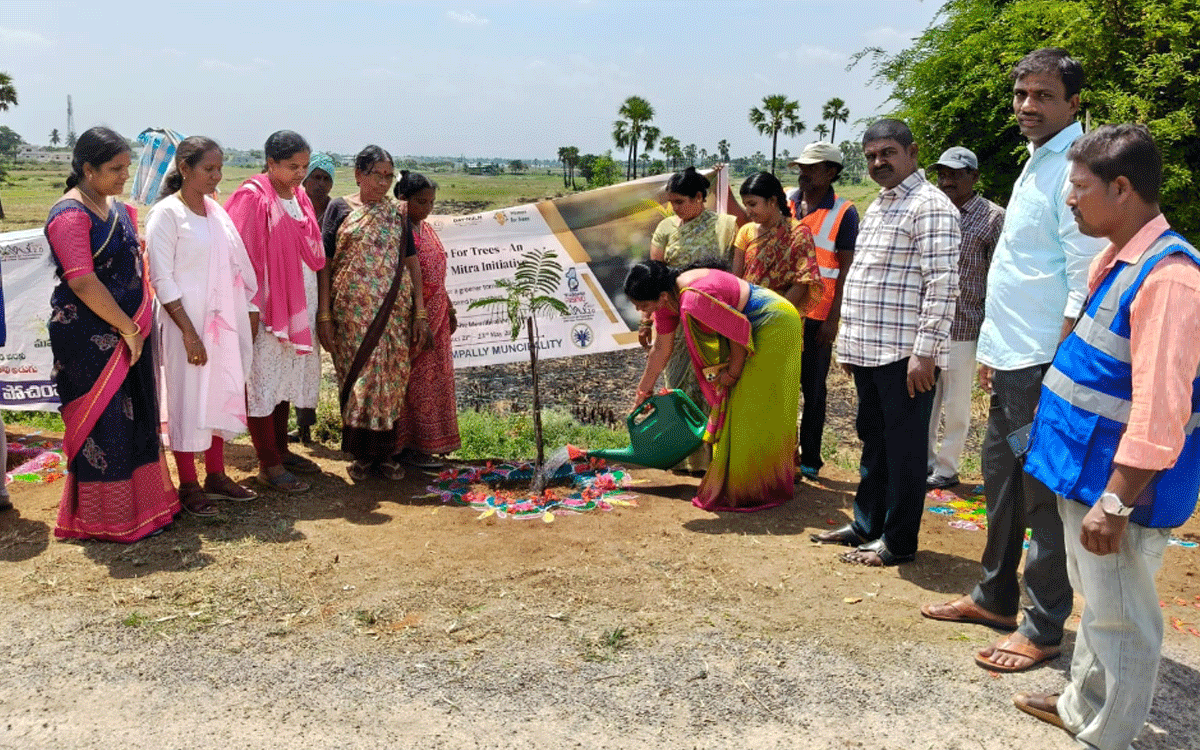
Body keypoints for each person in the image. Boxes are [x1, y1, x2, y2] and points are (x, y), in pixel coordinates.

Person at [1011, 124, 1200, 750]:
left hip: (1118, 488)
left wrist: (1117, 499)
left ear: (1121, 189)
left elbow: (1161, 409)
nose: (1070, 197)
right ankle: (1080, 704)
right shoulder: (1119, 260)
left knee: (1122, 617)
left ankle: (1107, 733)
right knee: (1100, 600)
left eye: (1079, 186)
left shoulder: (1169, 278)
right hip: (1084, 470)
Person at [922, 48, 1106, 672]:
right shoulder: (1037, 162)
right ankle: (994, 597)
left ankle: (1043, 625)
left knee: (1040, 494)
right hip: (1013, 358)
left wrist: (1058, 366)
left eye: (1042, 96)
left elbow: (1083, 279)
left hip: (1045, 364)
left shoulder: (1075, 170)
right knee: (999, 481)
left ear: (1073, 103)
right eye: (1021, 95)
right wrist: (1000, 355)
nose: (1026, 107)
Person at [811, 118, 960, 566]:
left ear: (912, 153)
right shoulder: (880, 205)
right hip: (871, 350)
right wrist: (851, 347)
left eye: (888, 153)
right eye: (872, 155)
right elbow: (868, 277)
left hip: (905, 354)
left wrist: (926, 351)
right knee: (874, 441)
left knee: (905, 449)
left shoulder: (929, 205)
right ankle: (866, 524)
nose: (879, 162)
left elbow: (942, 284)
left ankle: (898, 540)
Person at [43, 126, 180, 541]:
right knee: (105, 426)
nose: (125, 175)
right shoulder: (70, 216)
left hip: (130, 332)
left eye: (126, 166)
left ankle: (149, 508)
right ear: (88, 169)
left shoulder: (116, 209)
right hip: (89, 339)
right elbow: (83, 281)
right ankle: (110, 519)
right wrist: (126, 328)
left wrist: (133, 328)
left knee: (138, 417)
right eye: (115, 169)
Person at [626, 260, 803, 511]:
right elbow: (661, 349)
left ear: (662, 296)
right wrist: (643, 392)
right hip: (750, 326)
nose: (640, 311)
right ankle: (754, 480)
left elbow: (737, 331)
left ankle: (757, 488)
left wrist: (732, 373)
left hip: (773, 321)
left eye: (643, 305)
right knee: (740, 406)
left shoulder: (692, 299)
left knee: (748, 405)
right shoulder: (667, 300)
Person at [146, 136, 260, 516]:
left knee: (216, 395)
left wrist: (248, 314)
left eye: (219, 167)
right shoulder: (166, 214)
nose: (217, 175)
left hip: (221, 327)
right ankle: (189, 484)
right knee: (186, 398)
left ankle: (215, 475)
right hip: (185, 329)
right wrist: (189, 332)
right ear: (184, 169)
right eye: (208, 168)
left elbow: (237, 267)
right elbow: (162, 279)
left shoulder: (216, 212)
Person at [317, 146, 432, 481]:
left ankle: (384, 455)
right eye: (376, 175)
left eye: (388, 176)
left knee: (390, 381)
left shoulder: (397, 214)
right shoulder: (340, 208)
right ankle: (361, 456)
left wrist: (420, 312)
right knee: (358, 380)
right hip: (351, 316)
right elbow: (324, 262)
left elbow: (412, 263)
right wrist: (324, 315)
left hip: (394, 316)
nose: (383, 183)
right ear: (358, 175)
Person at [224, 130, 326, 494]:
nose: (300, 174)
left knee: (284, 380)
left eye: (304, 166)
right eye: (291, 166)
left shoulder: (299, 197)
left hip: (299, 306)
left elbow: (312, 249)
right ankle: (268, 463)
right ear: (270, 163)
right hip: (267, 309)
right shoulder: (252, 198)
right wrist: (252, 310)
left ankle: (281, 450)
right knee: (263, 381)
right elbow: (242, 258)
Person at [641, 167, 738, 474]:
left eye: (681, 202)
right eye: (671, 202)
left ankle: (713, 459)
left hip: (712, 320)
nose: (675, 209)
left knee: (712, 384)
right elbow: (653, 280)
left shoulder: (725, 226)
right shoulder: (666, 228)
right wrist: (646, 320)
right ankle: (685, 457)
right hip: (673, 319)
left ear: (700, 198)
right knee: (677, 383)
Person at [925, 147, 1005, 489]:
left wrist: (993, 325)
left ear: (974, 177)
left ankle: (947, 467)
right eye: (943, 174)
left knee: (956, 402)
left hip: (965, 324)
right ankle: (924, 462)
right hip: (928, 323)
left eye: (956, 174)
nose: (947, 180)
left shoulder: (992, 217)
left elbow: (999, 273)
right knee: (924, 400)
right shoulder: (931, 210)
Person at [785, 143, 860, 480]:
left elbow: (844, 270)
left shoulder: (844, 212)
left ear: (831, 172)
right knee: (780, 385)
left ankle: (811, 459)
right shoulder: (787, 200)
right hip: (782, 311)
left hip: (818, 317)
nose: (805, 173)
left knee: (813, 389)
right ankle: (783, 453)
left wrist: (834, 319)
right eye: (803, 167)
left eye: (813, 168)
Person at [394, 171, 460, 469]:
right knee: (413, 384)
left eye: (432, 202)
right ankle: (408, 446)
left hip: (437, 316)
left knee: (433, 383)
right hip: (413, 319)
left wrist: (449, 308)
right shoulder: (398, 231)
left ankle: (428, 444)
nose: (427, 208)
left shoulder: (427, 229)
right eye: (421, 202)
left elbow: (438, 274)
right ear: (403, 200)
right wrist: (418, 315)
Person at [292, 151, 337, 444]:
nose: (319, 184)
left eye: (325, 178)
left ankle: (312, 424)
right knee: (296, 357)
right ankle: (302, 425)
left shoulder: (336, 211)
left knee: (315, 363)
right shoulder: (295, 207)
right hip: (296, 292)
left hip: (329, 295)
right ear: (306, 178)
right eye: (315, 177)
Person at [732, 171, 822, 314]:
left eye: (752, 204)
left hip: (780, 316)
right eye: (745, 205)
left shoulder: (798, 233)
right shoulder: (745, 232)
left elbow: (801, 283)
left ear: (772, 201)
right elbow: (736, 279)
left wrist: (774, 315)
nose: (748, 211)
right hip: (745, 312)